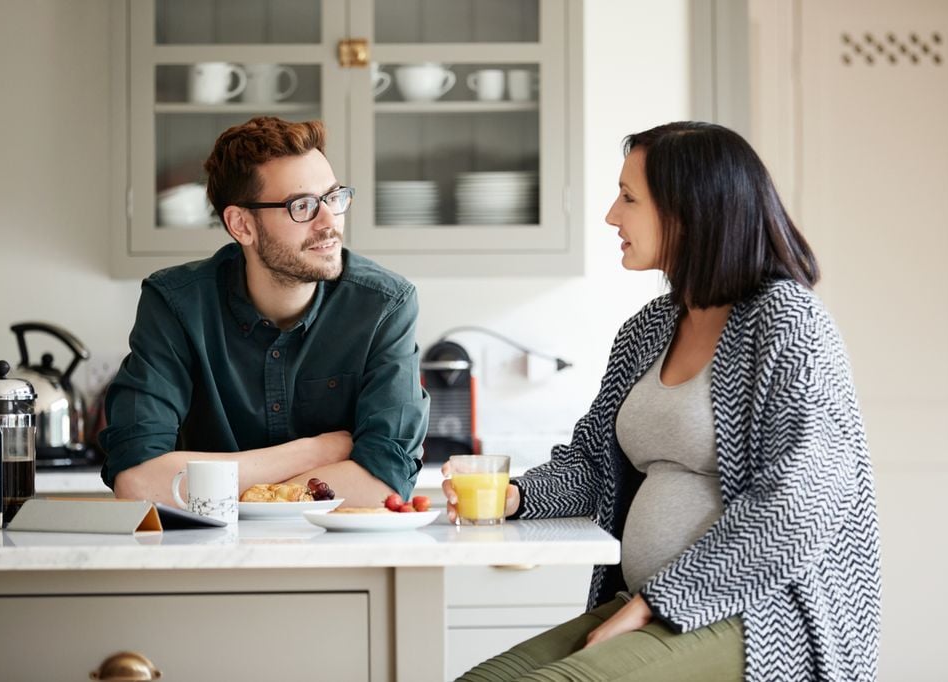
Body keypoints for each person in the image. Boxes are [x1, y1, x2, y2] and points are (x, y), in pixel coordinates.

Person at [444, 121, 880, 681]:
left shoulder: (787, 322)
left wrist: (658, 603)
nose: (610, 215)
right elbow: (592, 465)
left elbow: (797, 504)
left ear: (691, 211)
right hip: (645, 602)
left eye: (629, 198)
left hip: (759, 613)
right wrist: (514, 495)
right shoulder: (646, 330)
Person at [101, 117, 430, 507]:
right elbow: (139, 484)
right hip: (203, 559)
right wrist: (319, 452)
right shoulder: (176, 304)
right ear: (242, 225)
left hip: (338, 559)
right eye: (302, 206)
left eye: (334, 197)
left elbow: (382, 482)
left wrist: (213, 487)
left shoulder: (383, 305)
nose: (329, 222)